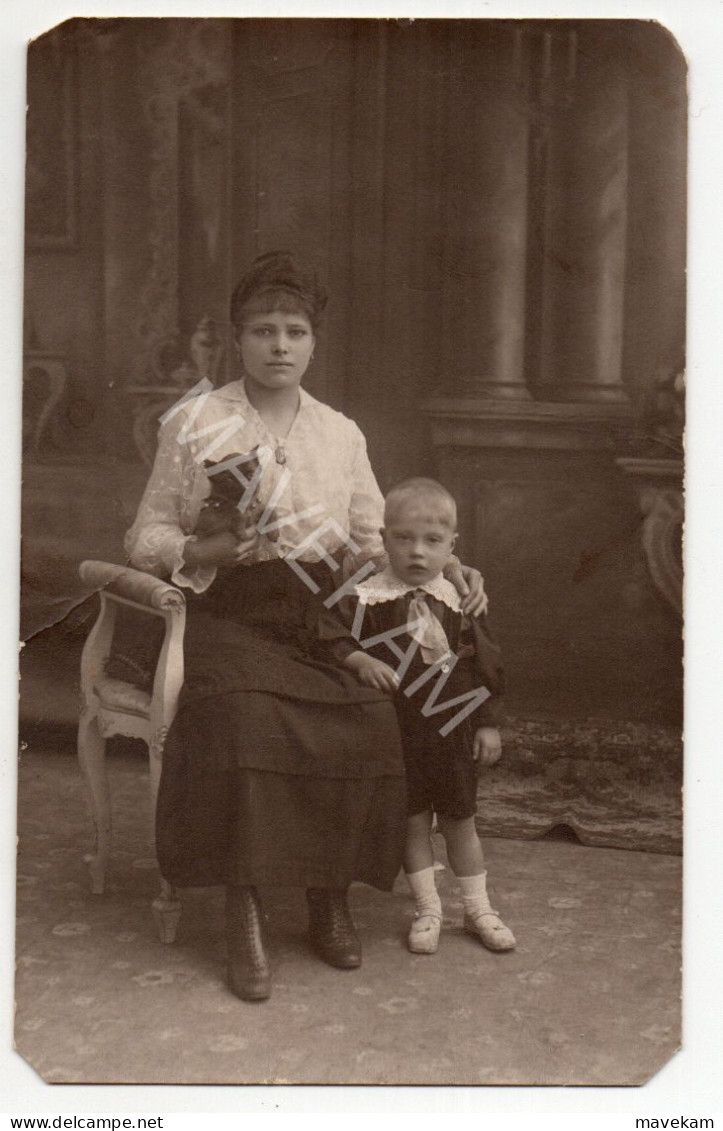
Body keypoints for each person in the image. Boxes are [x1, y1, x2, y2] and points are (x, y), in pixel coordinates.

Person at [124, 252, 489, 1001]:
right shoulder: (198, 423)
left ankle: (329, 895)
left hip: (325, 616)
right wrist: (201, 549)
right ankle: (246, 909)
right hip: (231, 606)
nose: (279, 345)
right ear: (237, 339)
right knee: (241, 716)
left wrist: (447, 568)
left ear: (314, 342)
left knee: (366, 713)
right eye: (263, 330)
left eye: (294, 331)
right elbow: (146, 533)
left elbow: (371, 536)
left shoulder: (339, 433)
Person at [325, 477, 516, 956]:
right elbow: (332, 636)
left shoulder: (459, 598)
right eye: (404, 539)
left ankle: (478, 909)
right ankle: (428, 909)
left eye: (432, 542)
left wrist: (487, 720)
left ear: (452, 546)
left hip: (452, 732)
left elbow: (481, 661)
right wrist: (362, 660)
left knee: (460, 821)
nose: (417, 553)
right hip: (397, 732)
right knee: (413, 824)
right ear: (384, 539)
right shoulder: (366, 597)